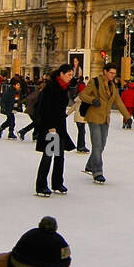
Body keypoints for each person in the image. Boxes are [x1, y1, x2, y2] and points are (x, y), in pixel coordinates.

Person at [78, 64, 131, 183]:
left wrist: (127, 116)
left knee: (102, 145)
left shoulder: (113, 87)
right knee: (97, 145)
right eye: (111, 73)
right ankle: (97, 172)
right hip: (94, 117)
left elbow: (118, 102)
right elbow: (83, 95)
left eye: (114, 73)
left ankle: (90, 165)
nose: (113, 75)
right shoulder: (95, 82)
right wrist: (93, 100)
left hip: (105, 119)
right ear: (105, 72)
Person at [33, 66, 76, 195]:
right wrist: (51, 126)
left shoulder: (64, 88)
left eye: (71, 74)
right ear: (61, 74)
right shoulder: (51, 88)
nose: (70, 77)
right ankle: (41, 185)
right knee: (48, 156)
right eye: (68, 74)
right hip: (50, 127)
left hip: (60, 126)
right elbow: (45, 108)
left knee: (59, 156)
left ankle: (57, 183)